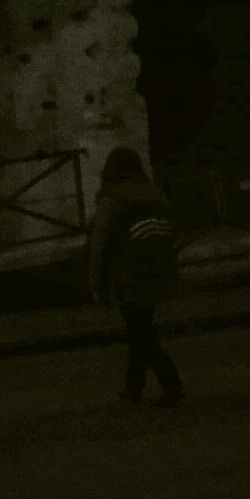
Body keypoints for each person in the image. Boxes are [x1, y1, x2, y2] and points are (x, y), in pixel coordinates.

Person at [88, 146, 187, 406]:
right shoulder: (155, 194)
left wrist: (96, 283)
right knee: (139, 330)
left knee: (141, 333)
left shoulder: (112, 199)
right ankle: (134, 387)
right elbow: (175, 232)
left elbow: (99, 244)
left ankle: (171, 383)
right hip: (157, 272)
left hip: (127, 276)